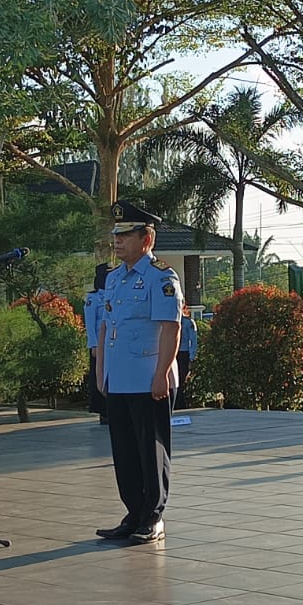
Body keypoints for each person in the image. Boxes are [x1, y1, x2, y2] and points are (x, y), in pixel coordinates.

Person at [95, 200, 183, 543]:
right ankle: (133, 513)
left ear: (146, 239)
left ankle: (153, 516)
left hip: (149, 377)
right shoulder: (114, 279)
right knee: (125, 451)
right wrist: (102, 372)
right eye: (115, 234)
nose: (117, 241)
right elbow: (104, 327)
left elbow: (170, 328)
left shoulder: (161, 277)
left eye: (125, 235)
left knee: (152, 449)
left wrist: (162, 373)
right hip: (119, 376)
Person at [85, 262, 113, 423]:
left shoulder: (115, 294)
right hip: (99, 344)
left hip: (113, 343)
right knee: (99, 377)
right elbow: (90, 323)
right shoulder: (93, 298)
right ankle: (103, 412)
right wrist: (93, 345)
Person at [177, 305, 198, 409]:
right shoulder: (169, 321)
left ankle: (181, 405)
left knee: (181, 380)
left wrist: (191, 357)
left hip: (183, 353)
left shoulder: (188, 322)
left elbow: (193, 341)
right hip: (172, 353)